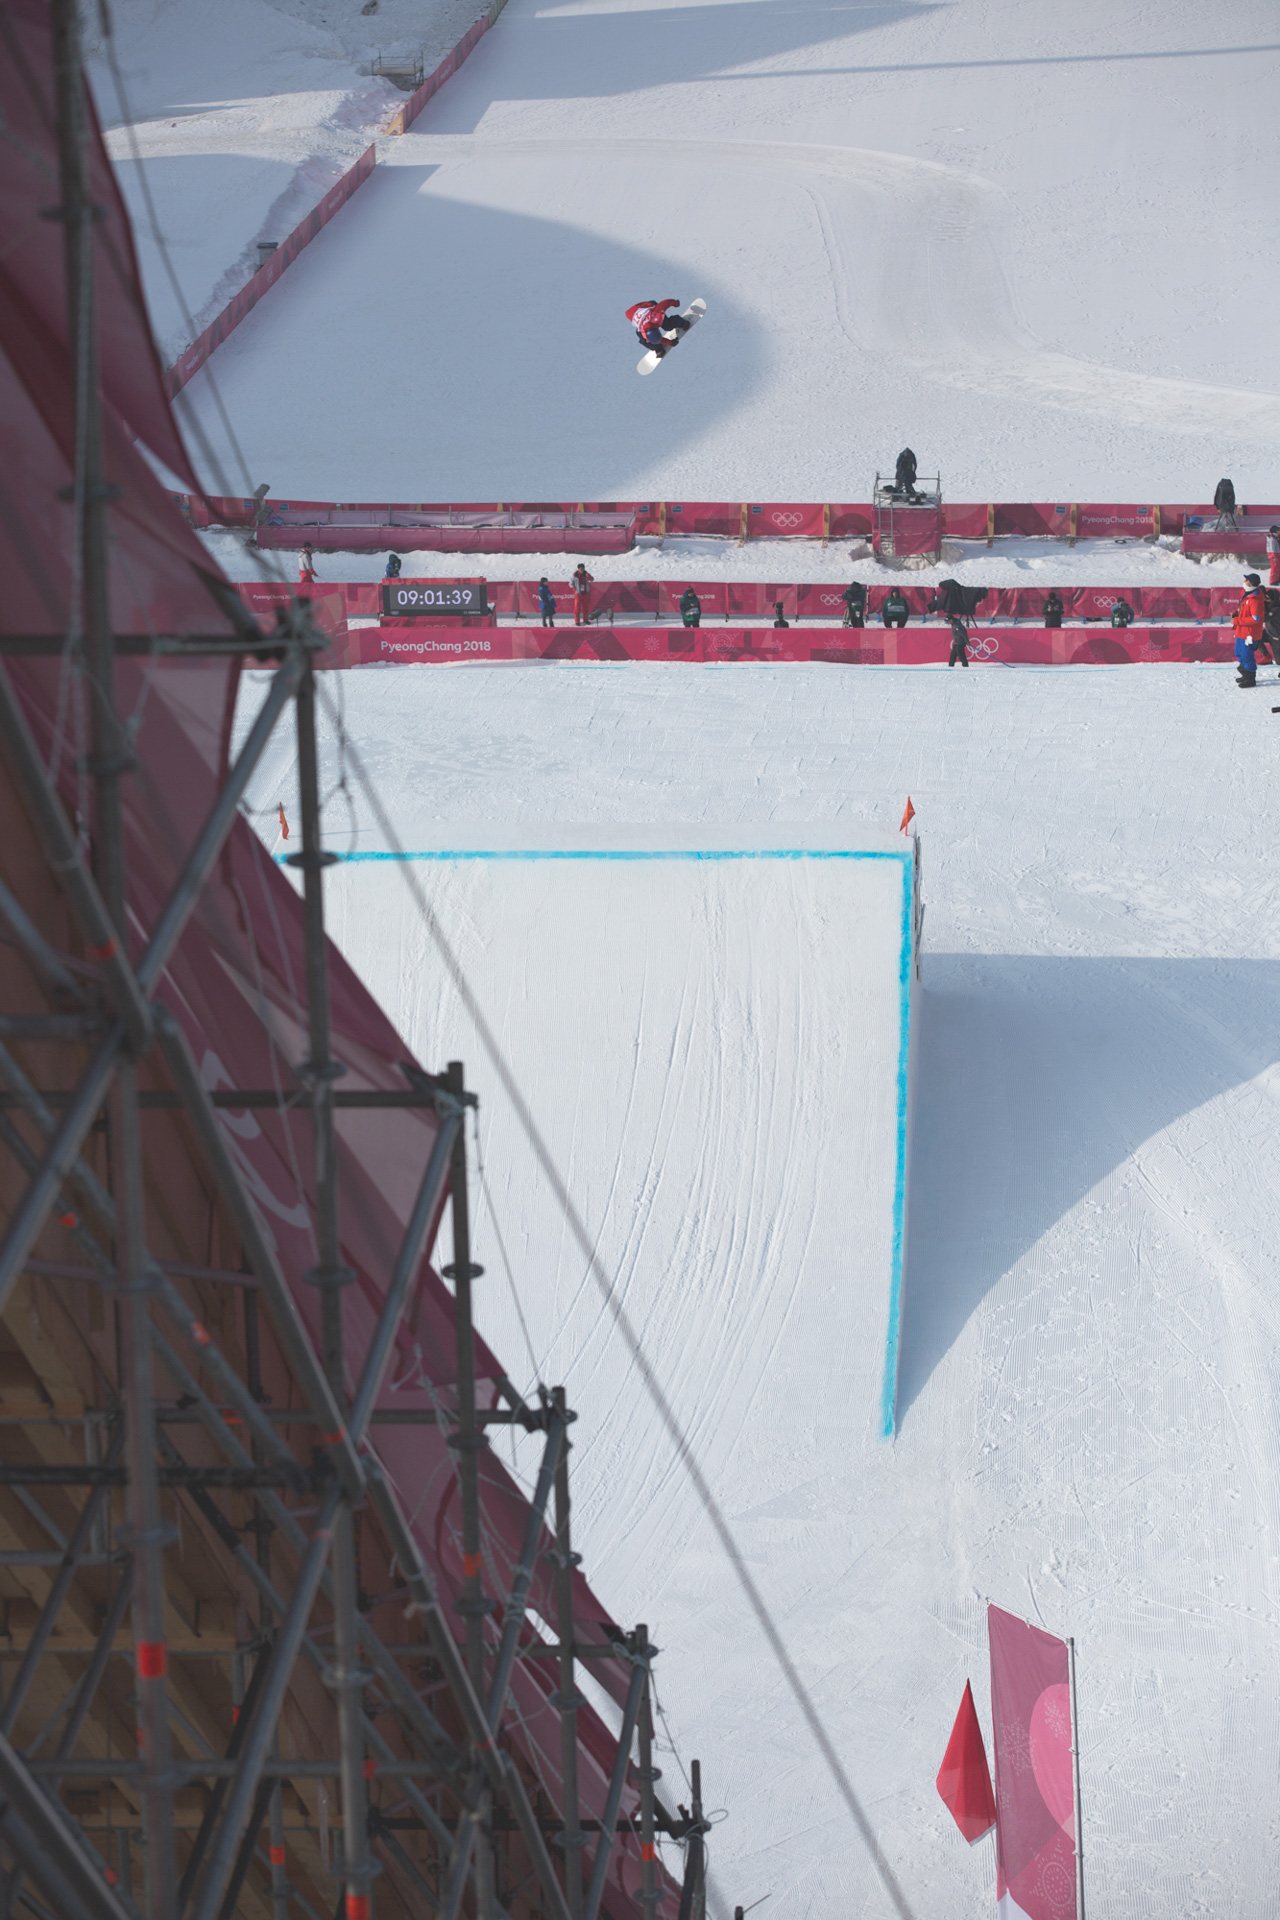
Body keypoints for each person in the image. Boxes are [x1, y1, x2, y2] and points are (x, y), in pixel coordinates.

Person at [625, 299, 691, 359]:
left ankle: (681, 322)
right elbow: (657, 339)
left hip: (649, 308)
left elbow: (664, 304)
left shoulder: (656, 316)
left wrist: (675, 303)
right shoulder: (644, 334)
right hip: (636, 314)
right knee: (644, 341)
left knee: (667, 325)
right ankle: (658, 347)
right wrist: (670, 342)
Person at [1234, 573, 1265, 684]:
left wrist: (1238, 620)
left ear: (1250, 583)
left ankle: (1250, 677)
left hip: (1249, 634)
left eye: (1246, 579)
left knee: (1247, 655)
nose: (1244, 580)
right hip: (1242, 630)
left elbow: (1255, 618)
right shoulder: (1246, 593)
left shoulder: (1254, 600)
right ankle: (1245, 673)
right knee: (1239, 652)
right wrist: (1236, 614)